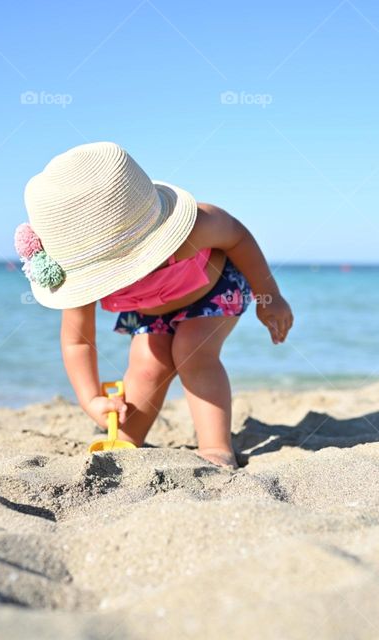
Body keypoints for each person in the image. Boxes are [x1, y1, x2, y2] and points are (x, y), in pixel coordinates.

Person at [15, 142, 292, 468]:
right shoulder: (81, 278)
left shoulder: (195, 228)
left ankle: (217, 448)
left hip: (213, 290)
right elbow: (78, 341)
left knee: (192, 352)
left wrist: (269, 297)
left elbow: (237, 237)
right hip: (147, 310)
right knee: (147, 365)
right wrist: (91, 398)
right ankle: (128, 441)